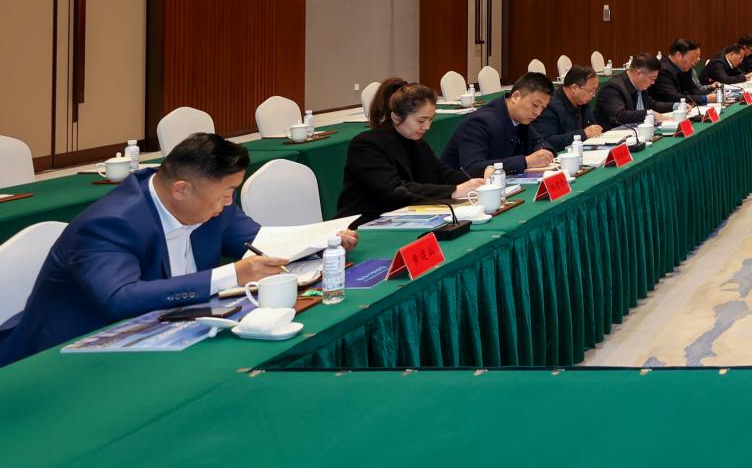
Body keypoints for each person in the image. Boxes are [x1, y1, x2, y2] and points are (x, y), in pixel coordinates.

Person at [0, 133, 345, 366]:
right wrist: (231, 274)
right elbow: (120, 298)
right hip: (66, 357)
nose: (229, 202)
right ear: (181, 189)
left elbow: (259, 240)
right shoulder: (109, 224)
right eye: (225, 193)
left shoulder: (210, 205)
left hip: (162, 337)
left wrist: (323, 241)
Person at [338, 83, 485, 225]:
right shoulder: (367, 145)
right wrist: (454, 191)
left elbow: (443, 175)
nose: (427, 127)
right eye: (421, 121)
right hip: (365, 223)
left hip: (407, 215)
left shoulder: (417, 143)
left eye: (431, 119)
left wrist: (482, 177)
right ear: (396, 117)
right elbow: (395, 191)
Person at [441, 73, 557, 178]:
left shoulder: (520, 117)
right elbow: (473, 168)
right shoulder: (479, 122)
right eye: (535, 105)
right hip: (461, 190)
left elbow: (539, 141)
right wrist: (526, 162)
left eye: (543, 108)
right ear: (516, 97)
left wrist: (544, 153)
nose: (538, 113)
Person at [532, 66, 603, 151]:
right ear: (574, 88)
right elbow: (546, 141)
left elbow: (592, 128)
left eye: (595, 91)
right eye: (591, 91)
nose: (593, 95)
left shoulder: (583, 103)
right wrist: (582, 134)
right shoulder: (550, 105)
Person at [597, 54, 672, 124]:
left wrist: (675, 106)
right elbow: (620, 115)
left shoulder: (640, 85)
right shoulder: (613, 88)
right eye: (652, 78)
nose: (653, 83)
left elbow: (652, 105)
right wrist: (648, 113)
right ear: (639, 74)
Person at [658, 39, 711, 105]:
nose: (698, 60)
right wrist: (705, 99)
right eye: (693, 57)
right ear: (679, 55)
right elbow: (674, 97)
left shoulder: (685, 68)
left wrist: (712, 95)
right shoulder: (663, 70)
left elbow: (693, 90)